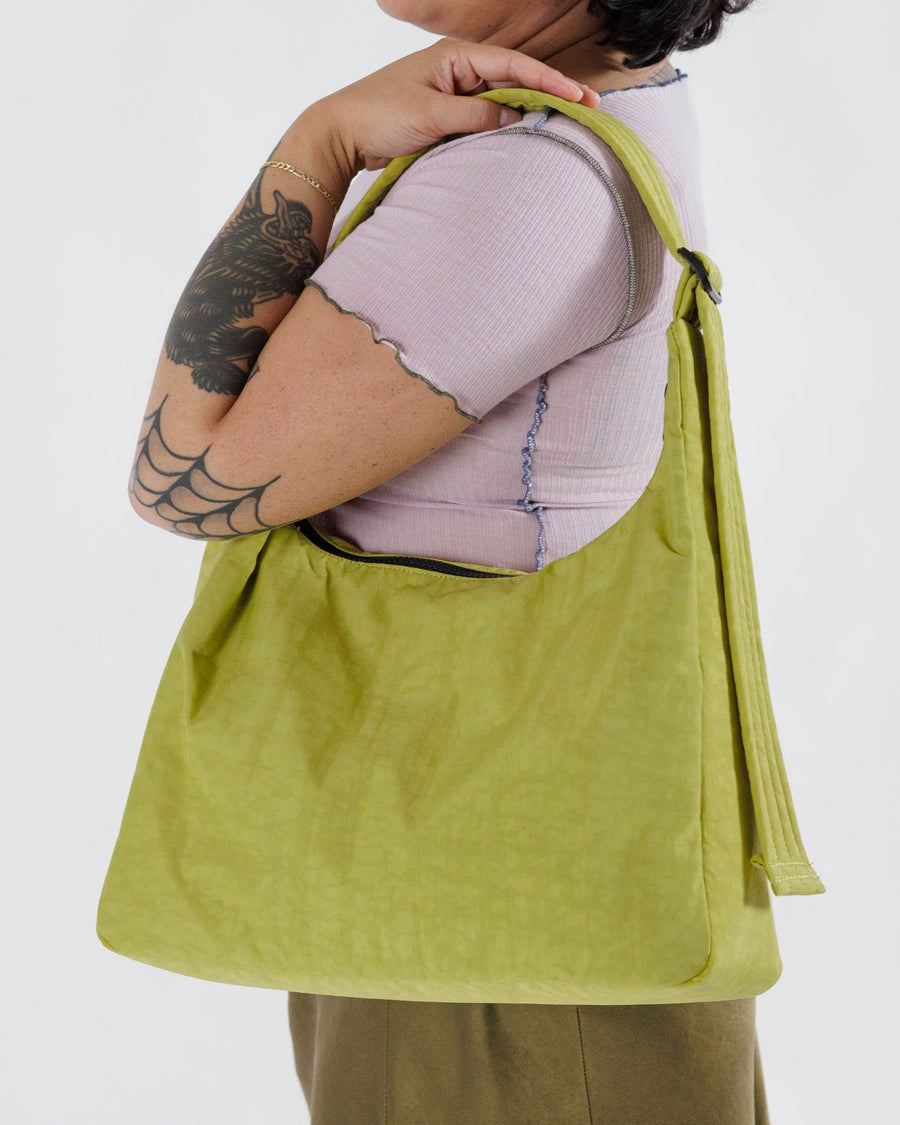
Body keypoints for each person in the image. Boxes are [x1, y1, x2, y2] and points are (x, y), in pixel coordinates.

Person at [128, 1, 767, 1121]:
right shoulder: (621, 112)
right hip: (527, 903)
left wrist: (321, 140)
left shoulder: (528, 180)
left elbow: (184, 475)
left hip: (494, 965)